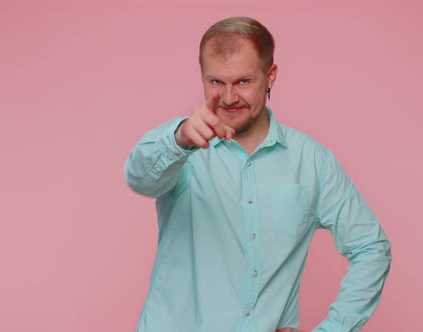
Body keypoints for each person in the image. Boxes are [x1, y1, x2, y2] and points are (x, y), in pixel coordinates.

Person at [124, 16, 391, 332]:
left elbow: (371, 248)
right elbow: (140, 177)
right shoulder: (182, 147)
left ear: (271, 76)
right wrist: (180, 139)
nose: (228, 98)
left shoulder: (312, 161)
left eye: (243, 82)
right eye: (216, 82)